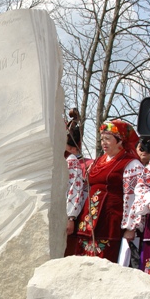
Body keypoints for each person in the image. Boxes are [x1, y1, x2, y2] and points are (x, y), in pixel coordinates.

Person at [74, 120, 144, 262]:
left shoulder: (131, 164)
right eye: (102, 139)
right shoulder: (98, 161)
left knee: (104, 262)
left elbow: (134, 197)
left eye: (108, 139)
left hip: (110, 223)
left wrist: (131, 227)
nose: (103, 143)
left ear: (120, 141)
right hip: (88, 222)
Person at [64, 109, 86, 257]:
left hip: (65, 215)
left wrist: (70, 217)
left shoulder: (71, 161)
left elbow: (74, 190)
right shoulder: (62, 159)